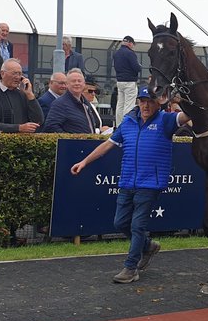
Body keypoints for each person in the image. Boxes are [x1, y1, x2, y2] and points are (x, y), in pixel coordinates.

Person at [72, 87, 191, 283]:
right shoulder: (128, 122)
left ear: (158, 103)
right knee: (120, 223)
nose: (145, 105)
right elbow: (107, 145)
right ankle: (148, 246)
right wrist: (84, 162)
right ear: (137, 102)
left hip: (151, 184)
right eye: (142, 100)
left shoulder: (166, 120)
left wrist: (178, 96)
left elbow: (189, 115)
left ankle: (130, 267)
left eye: (150, 101)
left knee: (137, 225)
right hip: (127, 181)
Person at [0, 59, 43, 133]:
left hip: (22, 141)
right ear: (2, 74)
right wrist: (19, 128)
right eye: (14, 73)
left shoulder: (23, 94)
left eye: (20, 74)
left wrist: (30, 95)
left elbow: (38, 121)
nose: (18, 77)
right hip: (0, 141)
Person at [41, 69, 96, 134]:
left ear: (84, 84)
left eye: (79, 81)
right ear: (67, 84)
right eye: (73, 81)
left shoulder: (85, 103)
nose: (77, 83)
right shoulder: (59, 104)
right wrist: (70, 140)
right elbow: (51, 126)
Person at [113, 35, 140, 118]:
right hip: (130, 81)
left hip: (119, 81)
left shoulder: (116, 53)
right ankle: (126, 125)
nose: (133, 46)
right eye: (133, 44)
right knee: (129, 105)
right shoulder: (130, 53)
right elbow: (136, 68)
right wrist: (140, 66)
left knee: (120, 104)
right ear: (130, 43)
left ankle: (119, 124)